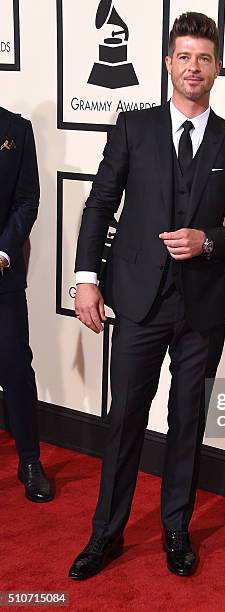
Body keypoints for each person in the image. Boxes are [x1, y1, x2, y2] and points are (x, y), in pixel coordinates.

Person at [68, 12, 225, 580]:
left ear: (217, 66)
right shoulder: (133, 127)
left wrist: (210, 240)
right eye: (184, 56)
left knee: (187, 422)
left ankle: (176, 529)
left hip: (202, 307)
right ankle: (106, 533)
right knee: (125, 418)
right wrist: (85, 279)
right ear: (169, 63)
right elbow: (99, 205)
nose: (193, 67)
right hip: (138, 300)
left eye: (204, 57)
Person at [0, 107, 54, 503]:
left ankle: (30, 461)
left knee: (16, 366)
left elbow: (26, 200)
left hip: (2, 272)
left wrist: (3, 253)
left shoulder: (16, 130)